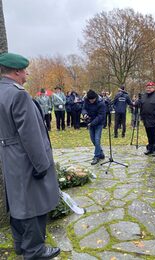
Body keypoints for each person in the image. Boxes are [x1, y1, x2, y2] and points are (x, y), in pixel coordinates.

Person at [0, 52, 60, 259]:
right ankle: (35, 250)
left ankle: (20, 245)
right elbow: (31, 135)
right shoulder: (18, 94)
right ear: (16, 71)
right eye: (24, 70)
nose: (26, 73)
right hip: (26, 158)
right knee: (34, 204)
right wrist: (41, 165)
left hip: (9, 157)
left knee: (17, 203)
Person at [138, 81, 155, 156]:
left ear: (153, 88)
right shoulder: (143, 96)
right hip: (146, 119)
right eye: (147, 88)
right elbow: (141, 105)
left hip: (154, 120)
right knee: (149, 135)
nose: (148, 89)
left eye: (150, 88)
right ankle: (150, 148)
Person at [82, 90, 106, 165]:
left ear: (95, 97)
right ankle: (100, 153)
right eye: (90, 100)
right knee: (93, 140)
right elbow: (83, 108)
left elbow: (101, 116)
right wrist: (85, 114)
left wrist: (92, 123)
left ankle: (96, 156)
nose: (91, 101)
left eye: (92, 99)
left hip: (99, 123)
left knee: (97, 139)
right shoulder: (86, 101)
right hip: (90, 122)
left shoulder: (101, 103)